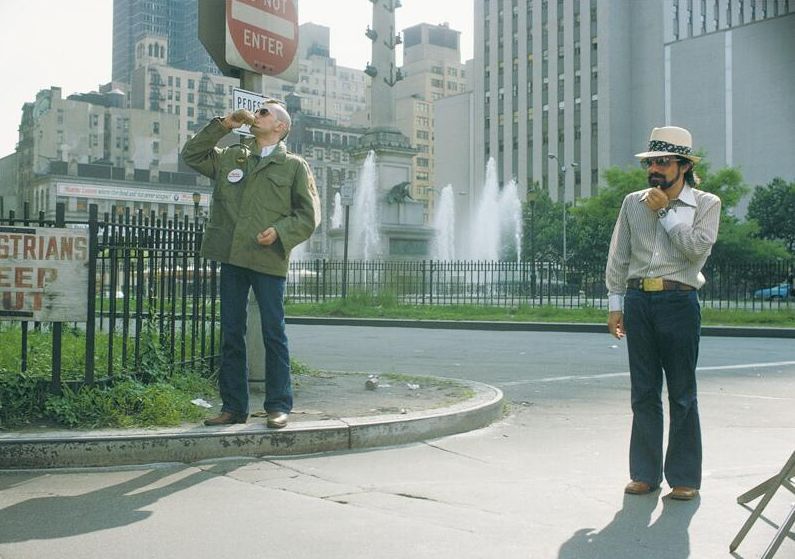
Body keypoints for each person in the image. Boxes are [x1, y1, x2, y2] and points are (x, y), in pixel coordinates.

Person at [182, 100, 321, 429]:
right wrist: (225, 124)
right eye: (256, 111)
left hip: (268, 258)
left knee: (274, 333)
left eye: (264, 112)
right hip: (232, 256)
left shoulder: (294, 167)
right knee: (232, 333)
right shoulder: (233, 155)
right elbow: (192, 154)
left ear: (280, 127)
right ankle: (233, 407)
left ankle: (277, 406)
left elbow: (308, 214)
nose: (256, 115)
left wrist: (280, 232)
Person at [605, 126, 721, 501]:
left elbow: (695, 251)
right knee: (643, 392)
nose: (654, 168)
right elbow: (619, 255)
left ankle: (685, 478)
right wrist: (615, 304)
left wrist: (668, 213)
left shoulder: (706, 204)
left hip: (679, 302)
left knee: (683, 393)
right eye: (651, 161)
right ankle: (644, 473)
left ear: (683, 166)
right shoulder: (632, 202)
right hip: (639, 302)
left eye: (663, 162)